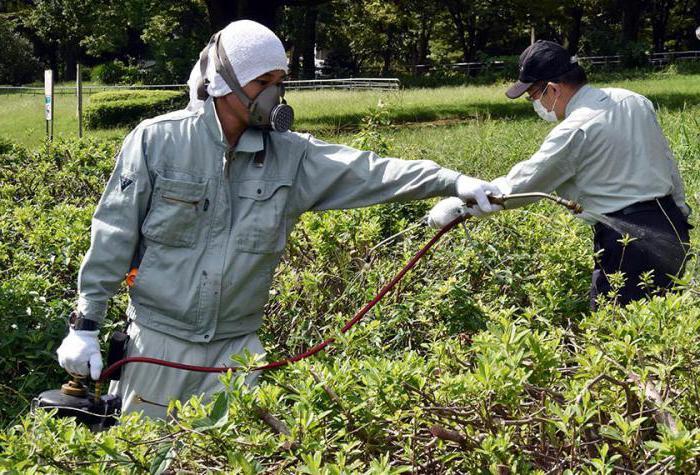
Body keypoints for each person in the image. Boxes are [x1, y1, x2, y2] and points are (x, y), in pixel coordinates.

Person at [55, 20, 498, 419]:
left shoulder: (292, 155)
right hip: (158, 344)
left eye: (280, 81)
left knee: (229, 460)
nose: (274, 94)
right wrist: (86, 325)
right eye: (262, 80)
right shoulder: (157, 141)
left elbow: (370, 170)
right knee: (145, 457)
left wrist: (451, 181)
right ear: (221, 83)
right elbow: (113, 235)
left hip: (237, 349)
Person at [428, 40, 692, 309]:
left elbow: (521, 185)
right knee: (663, 320)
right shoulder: (633, 100)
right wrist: (681, 212)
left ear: (552, 89)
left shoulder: (576, 129)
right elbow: (666, 160)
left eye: (533, 95)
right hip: (671, 225)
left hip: (628, 243)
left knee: (615, 328)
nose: (535, 103)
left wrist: (463, 205)